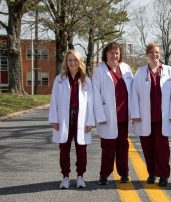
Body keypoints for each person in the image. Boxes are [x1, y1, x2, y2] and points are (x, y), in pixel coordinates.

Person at [131, 43, 171, 187]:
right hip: (145, 117)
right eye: (151, 52)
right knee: (148, 147)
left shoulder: (169, 71)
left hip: (162, 118)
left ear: (160, 54)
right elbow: (134, 94)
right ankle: (151, 173)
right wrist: (135, 114)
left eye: (156, 52)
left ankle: (163, 175)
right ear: (147, 55)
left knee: (163, 149)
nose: (154, 55)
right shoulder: (140, 72)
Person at [48, 50, 95, 189]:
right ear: (66, 62)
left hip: (81, 119)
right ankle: (65, 177)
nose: (72, 62)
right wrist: (54, 120)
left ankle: (80, 176)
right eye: (70, 60)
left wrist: (90, 121)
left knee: (81, 148)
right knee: (64, 148)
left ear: (80, 61)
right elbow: (54, 100)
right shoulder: (59, 79)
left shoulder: (86, 80)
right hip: (64, 118)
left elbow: (91, 103)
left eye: (75, 60)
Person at [92, 42, 133, 185]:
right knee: (108, 147)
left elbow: (133, 91)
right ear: (106, 54)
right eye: (111, 52)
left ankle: (124, 173)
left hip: (123, 115)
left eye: (117, 52)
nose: (114, 55)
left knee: (123, 146)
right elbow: (95, 95)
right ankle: (104, 174)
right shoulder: (100, 70)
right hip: (108, 115)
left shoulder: (126, 68)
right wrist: (100, 116)